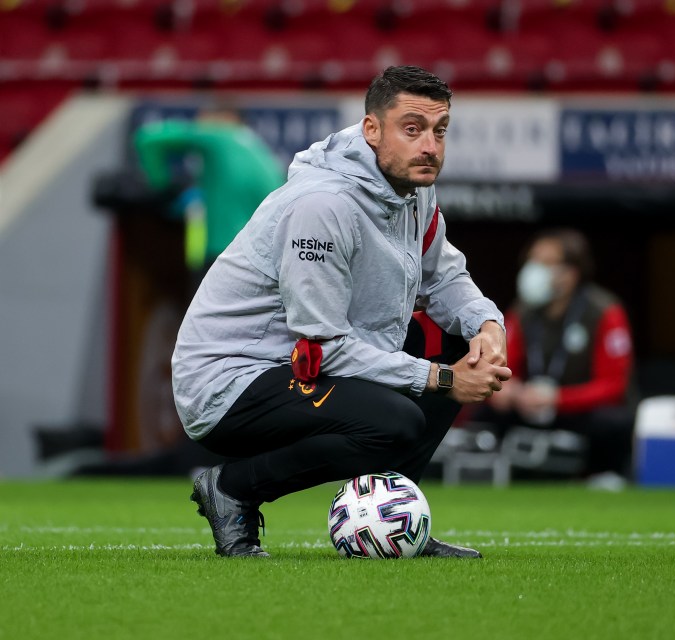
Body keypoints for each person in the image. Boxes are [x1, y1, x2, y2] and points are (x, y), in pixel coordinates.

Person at [174, 66, 511, 558]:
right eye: (412, 129)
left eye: (440, 131)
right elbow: (324, 346)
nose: (430, 147)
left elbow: (444, 277)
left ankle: (397, 520)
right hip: (229, 380)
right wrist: (441, 380)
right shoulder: (323, 205)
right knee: (398, 416)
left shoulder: (415, 189)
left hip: (298, 364)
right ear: (372, 130)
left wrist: (488, 325)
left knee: (459, 348)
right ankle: (233, 490)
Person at [469, 227, 636, 481]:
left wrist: (557, 399)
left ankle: (603, 476)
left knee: (613, 422)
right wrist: (507, 389)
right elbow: (504, 365)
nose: (535, 269)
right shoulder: (521, 311)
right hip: (530, 405)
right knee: (485, 412)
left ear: (571, 273)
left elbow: (614, 385)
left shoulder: (605, 311)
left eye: (546, 262)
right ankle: (492, 472)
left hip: (576, 410)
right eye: (532, 261)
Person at [133, 103, 286, 286]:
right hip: (258, 258)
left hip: (221, 255)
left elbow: (148, 138)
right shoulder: (258, 148)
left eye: (204, 117)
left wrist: (163, 186)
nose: (199, 123)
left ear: (226, 118)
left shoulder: (219, 135)